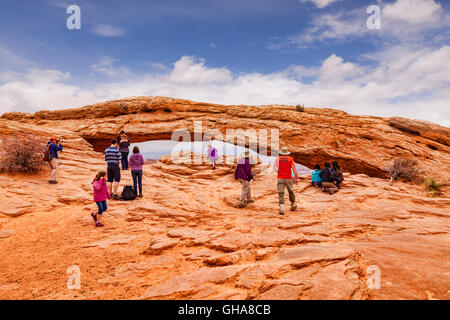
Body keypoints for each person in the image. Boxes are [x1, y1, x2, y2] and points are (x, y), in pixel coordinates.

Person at [273, 147, 298, 215]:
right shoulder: (290, 159)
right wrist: (296, 178)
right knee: (291, 191)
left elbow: (274, 169)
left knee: (281, 192)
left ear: (281, 153)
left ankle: (282, 207)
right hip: (288, 178)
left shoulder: (277, 159)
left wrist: (280, 171)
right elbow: (293, 168)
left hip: (280, 178)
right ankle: (293, 204)